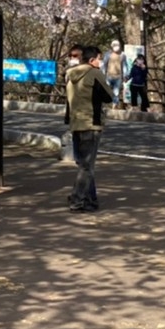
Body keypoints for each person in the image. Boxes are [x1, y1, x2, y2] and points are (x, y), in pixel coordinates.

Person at [65, 44, 111, 212]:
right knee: (87, 166)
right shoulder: (94, 73)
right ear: (92, 60)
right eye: (99, 59)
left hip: (76, 123)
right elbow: (109, 96)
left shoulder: (70, 75)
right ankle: (77, 200)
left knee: (84, 165)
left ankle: (90, 199)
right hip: (91, 123)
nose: (100, 62)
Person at [102, 40, 127, 108]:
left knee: (116, 92)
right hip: (109, 76)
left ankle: (114, 105)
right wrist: (103, 74)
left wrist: (125, 75)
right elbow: (104, 64)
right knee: (106, 90)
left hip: (118, 77)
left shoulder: (122, 55)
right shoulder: (108, 54)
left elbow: (124, 66)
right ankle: (104, 105)